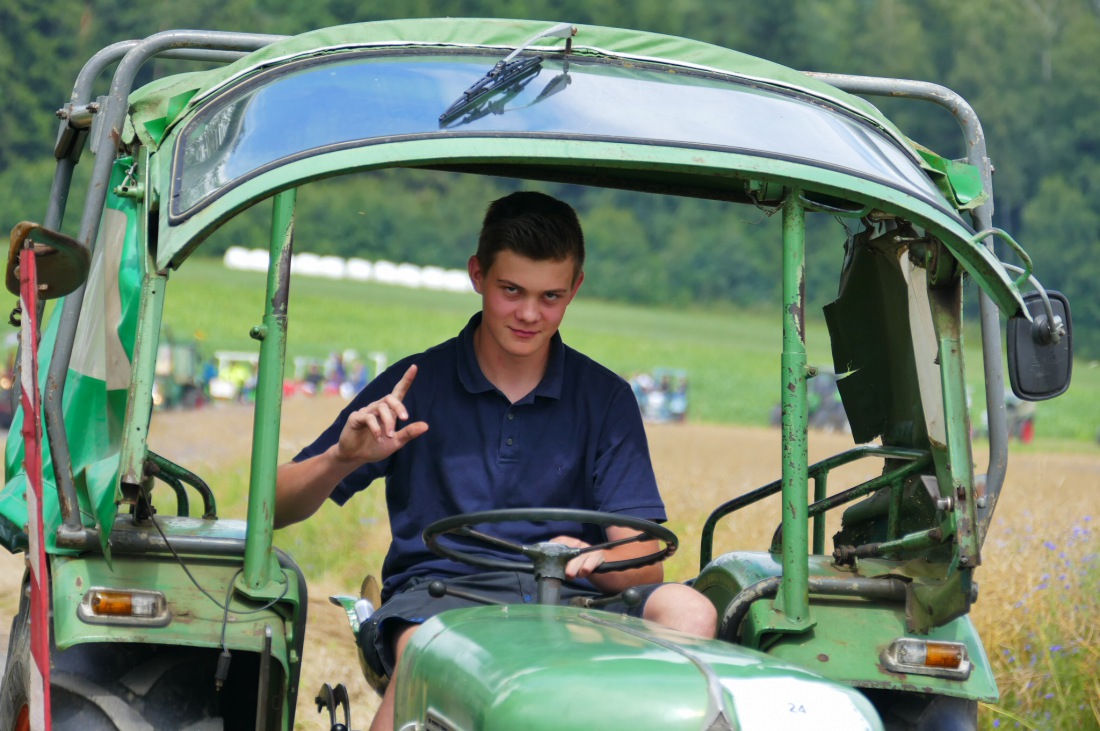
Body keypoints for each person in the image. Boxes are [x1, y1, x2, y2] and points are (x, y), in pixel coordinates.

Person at [273, 191, 717, 731]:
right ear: (477, 275)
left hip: (572, 600)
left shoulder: (605, 398)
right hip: (443, 598)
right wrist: (341, 458)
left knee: (691, 611)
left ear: (575, 289)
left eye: (551, 296)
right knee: (426, 650)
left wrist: (596, 557)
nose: (530, 313)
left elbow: (646, 564)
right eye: (512, 290)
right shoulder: (416, 384)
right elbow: (271, 507)